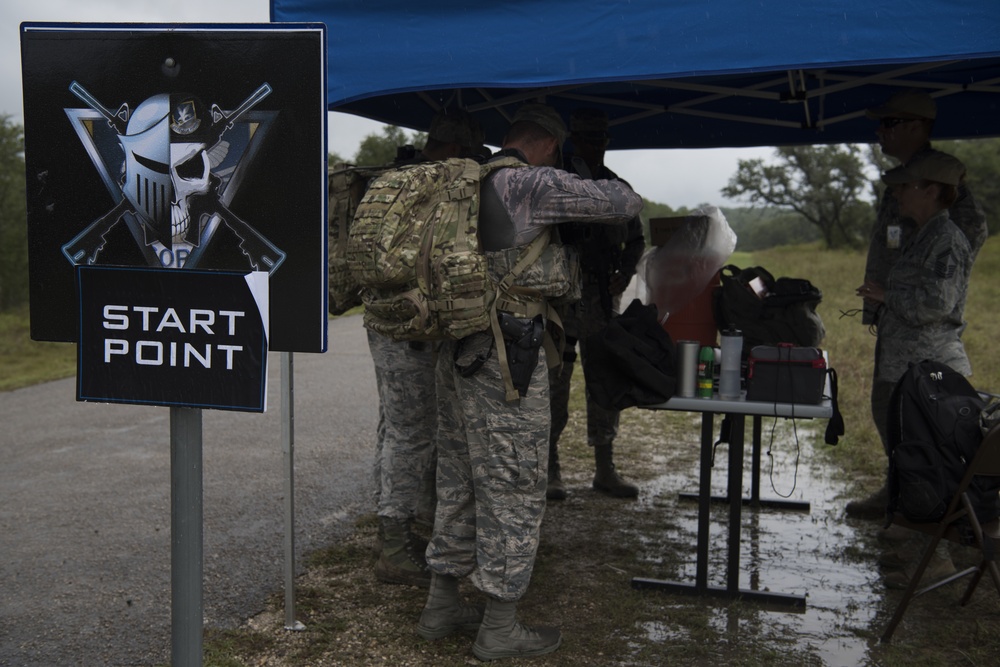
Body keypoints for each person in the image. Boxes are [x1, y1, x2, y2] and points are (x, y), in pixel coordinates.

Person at [416, 103, 643, 660]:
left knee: (459, 476)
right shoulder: (534, 184)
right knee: (514, 485)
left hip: (457, 347)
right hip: (508, 353)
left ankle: (441, 605)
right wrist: (583, 171)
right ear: (547, 142)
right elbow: (625, 203)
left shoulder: (463, 181)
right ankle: (499, 627)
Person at [846, 89, 987, 520]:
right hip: (897, 323)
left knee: (916, 424)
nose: (880, 132)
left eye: (888, 124)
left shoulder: (937, 178)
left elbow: (968, 235)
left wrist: (915, 282)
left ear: (913, 126)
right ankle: (902, 491)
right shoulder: (905, 177)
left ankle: (919, 504)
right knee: (891, 413)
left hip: (921, 333)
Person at [368, 109, 486, 587]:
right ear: (457, 149)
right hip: (417, 325)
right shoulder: (439, 187)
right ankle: (393, 546)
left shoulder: (391, 179)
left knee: (396, 426)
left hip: (387, 318)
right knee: (412, 432)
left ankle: (396, 530)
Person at [855, 149, 974, 588]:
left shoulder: (946, 239)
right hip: (906, 367)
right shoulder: (922, 234)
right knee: (909, 461)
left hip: (929, 374)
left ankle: (935, 561)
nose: (898, 194)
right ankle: (915, 544)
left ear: (931, 190)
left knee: (929, 468)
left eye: (906, 186)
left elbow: (936, 304)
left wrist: (887, 297)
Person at [546, 108, 646, 500]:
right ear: (576, 140)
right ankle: (550, 468)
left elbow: (636, 239)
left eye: (601, 139)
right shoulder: (560, 183)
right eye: (589, 139)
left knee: (604, 384)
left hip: (601, 303)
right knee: (555, 385)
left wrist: (624, 269)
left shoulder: (617, 188)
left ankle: (605, 468)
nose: (595, 146)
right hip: (562, 303)